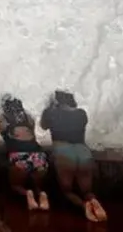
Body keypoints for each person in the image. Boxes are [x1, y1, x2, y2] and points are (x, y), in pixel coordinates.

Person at [40, 90, 107, 222]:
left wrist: (48, 106)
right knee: (87, 191)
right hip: (83, 151)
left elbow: (43, 126)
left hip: (64, 152)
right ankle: (93, 201)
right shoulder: (81, 113)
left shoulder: (51, 112)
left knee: (67, 191)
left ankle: (84, 206)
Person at [0, 94, 49, 211]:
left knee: (16, 185)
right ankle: (42, 196)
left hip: (19, 156)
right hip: (38, 155)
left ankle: (28, 194)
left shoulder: (2, 119)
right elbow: (30, 136)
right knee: (38, 186)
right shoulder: (29, 117)